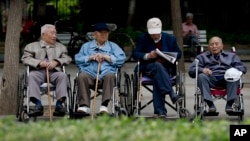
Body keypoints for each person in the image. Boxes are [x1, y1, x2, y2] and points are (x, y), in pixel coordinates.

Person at [132, 17, 183, 117]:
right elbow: (135, 54)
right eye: (152, 34)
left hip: (166, 69)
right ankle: (171, 93)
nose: (154, 35)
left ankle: (161, 111)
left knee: (157, 78)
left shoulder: (170, 39)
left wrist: (168, 56)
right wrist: (148, 56)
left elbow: (179, 54)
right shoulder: (143, 38)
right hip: (148, 68)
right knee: (157, 65)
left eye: (156, 33)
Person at [75, 23, 126, 114]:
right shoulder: (86, 46)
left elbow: (121, 59)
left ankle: (104, 105)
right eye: (101, 32)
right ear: (95, 34)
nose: (104, 34)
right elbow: (78, 59)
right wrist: (90, 57)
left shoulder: (113, 46)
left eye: (106, 32)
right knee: (82, 76)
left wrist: (107, 57)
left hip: (106, 75)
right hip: (90, 74)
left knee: (110, 75)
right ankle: (84, 105)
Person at [21, 24, 72, 116]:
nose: (54, 36)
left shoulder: (60, 47)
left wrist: (56, 62)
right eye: (52, 33)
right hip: (38, 71)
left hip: (54, 72)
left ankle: (59, 105)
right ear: (43, 34)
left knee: (63, 76)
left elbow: (67, 59)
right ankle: (38, 105)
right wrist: (39, 63)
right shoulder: (31, 46)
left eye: (55, 33)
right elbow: (25, 58)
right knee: (31, 76)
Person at [188, 36, 247, 113]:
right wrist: (202, 70)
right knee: (201, 76)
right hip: (211, 79)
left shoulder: (231, 56)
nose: (214, 46)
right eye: (212, 44)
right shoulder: (202, 57)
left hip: (227, 79)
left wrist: (232, 71)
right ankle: (210, 104)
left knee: (233, 76)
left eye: (216, 44)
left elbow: (242, 67)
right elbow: (191, 70)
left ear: (222, 45)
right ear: (209, 47)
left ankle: (229, 104)